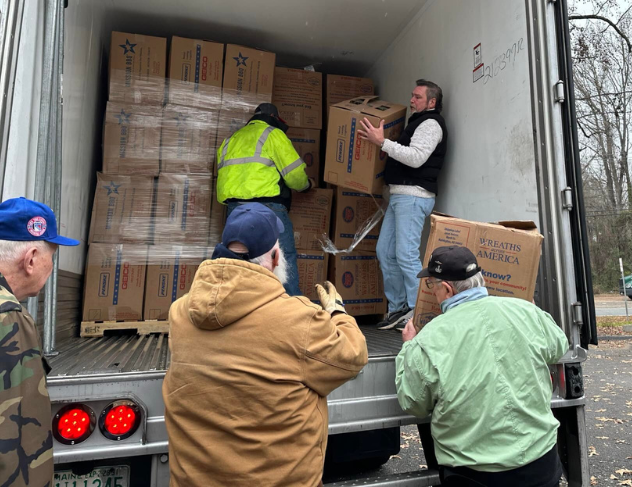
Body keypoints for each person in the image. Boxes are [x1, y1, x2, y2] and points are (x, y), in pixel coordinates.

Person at [163, 202, 368, 487]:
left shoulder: (180, 312)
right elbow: (352, 356)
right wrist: (337, 313)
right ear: (274, 258)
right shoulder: (298, 319)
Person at [395, 246, 569, 487]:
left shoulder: (427, 340)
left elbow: (414, 403)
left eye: (431, 285)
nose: (431, 292)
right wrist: (532, 310)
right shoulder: (526, 312)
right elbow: (559, 346)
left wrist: (408, 349)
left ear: (446, 288)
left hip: (474, 475)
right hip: (541, 464)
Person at [0, 197, 79, 487]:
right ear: (31, 259)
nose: (52, 266)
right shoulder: (8, 318)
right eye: (52, 256)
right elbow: (9, 436)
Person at [357, 79, 447, 331]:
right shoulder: (416, 122)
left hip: (414, 196)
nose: (411, 100)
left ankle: (418, 310)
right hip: (401, 195)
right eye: (412, 95)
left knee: (406, 255)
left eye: (417, 97)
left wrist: (382, 142)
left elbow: (417, 158)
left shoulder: (431, 124)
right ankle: (398, 308)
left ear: (431, 102)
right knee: (385, 252)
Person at [216, 102, 313, 297]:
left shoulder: (231, 139)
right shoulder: (273, 135)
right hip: (268, 207)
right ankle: (291, 308)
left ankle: (239, 306)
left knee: (239, 261)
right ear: (275, 119)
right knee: (281, 257)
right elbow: (294, 176)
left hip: (235, 209)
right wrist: (307, 185)